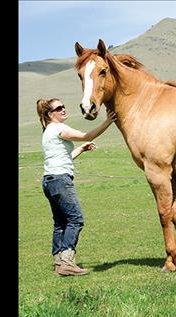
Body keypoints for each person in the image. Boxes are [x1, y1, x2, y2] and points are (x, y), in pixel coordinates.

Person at [36, 98, 117, 276]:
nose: (63, 109)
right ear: (51, 114)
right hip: (60, 180)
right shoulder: (59, 129)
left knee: (60, 222)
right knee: (76, 219)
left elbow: (63, 158)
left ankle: (59, 261)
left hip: (49, 180)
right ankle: (67, 261)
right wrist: (108, 121)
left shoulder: (48, 131)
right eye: (59, 108)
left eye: (64, 106)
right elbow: (87, 135)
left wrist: (81, 149)